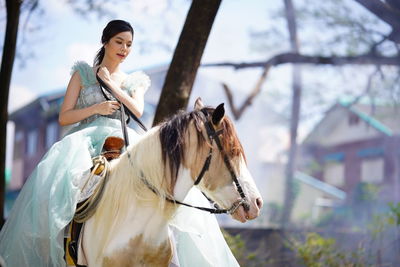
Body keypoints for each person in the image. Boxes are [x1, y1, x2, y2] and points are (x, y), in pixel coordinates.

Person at [0, 20, 239, 267]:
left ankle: (167, 251)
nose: (124, 48)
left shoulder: (133, 81)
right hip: (86, 140)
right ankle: (70, 244)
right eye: (119, 42)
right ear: (105, 41)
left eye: (129, 44)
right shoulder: (82, 74)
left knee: (158, 185)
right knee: (70, 187)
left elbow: (136, 109)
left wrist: (111, 84)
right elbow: (64, 117)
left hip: (124, 141)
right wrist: (97, 108)